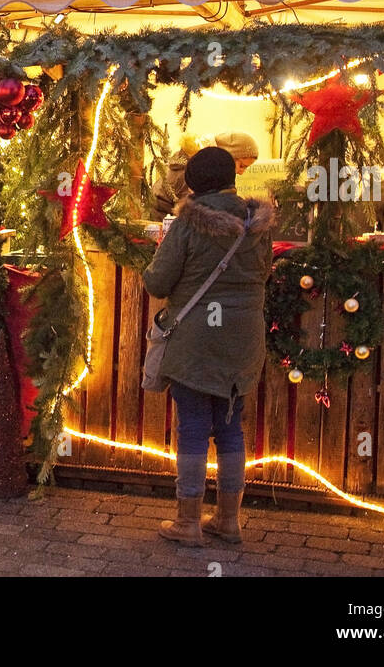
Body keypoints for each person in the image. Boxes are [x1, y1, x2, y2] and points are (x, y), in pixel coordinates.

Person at [142, 146, 274, 546]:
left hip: (197, 339)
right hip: (244, 337)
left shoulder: (187, 224)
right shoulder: (257, 222)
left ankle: (188, 522)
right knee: (231, 428)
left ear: (193, 184)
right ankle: (229, 520)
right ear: (233, 179)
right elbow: (264, 273)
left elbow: (158, 283)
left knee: (195, 428)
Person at [153, 131, 259, 218]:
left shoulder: (198, 168)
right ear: (227, 157)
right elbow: (197, 215)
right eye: (241, 166)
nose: (241, 172)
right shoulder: (196, 173)